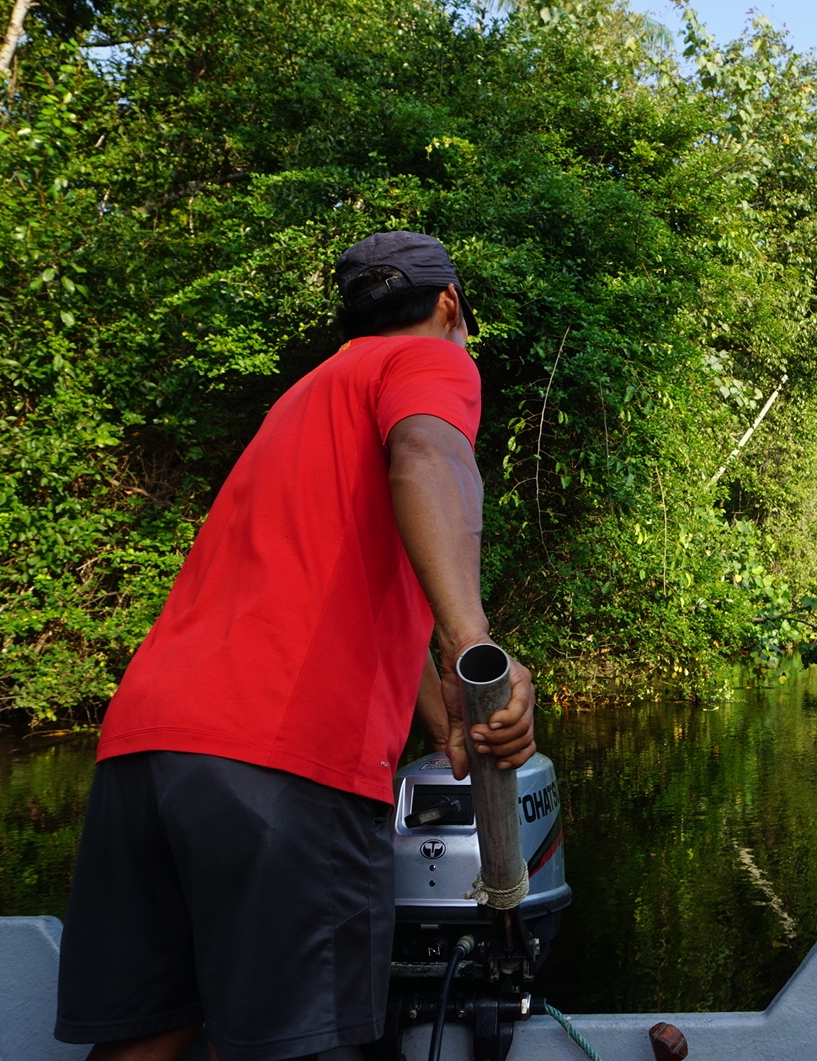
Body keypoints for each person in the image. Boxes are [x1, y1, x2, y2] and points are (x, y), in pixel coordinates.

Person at [53, 231, 536, 1061]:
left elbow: (346, 581)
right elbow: (428, 455)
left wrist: (440, 713)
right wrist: (473, 646)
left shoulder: (305, 399)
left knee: (147, 1037)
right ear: (451, 305)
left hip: (146, 752)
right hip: (283, 763)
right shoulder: (431, 363)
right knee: (299, 1048)